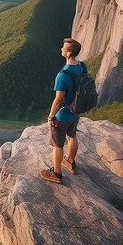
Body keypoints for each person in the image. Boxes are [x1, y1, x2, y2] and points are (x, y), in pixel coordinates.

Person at [40, 38, 83, 184]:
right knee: (72, 136)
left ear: (69, 53)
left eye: (64, 47)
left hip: (63, 114)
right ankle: (70, 162)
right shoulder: (82, 66)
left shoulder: (62, 75)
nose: (61, 49)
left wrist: (51, 117)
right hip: (76, 111)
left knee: (58, 145)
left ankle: (57, 173)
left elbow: (58, 100)